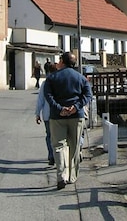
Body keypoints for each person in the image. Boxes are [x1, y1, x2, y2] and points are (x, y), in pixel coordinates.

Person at [44, 52, 93, 189]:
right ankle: (72, 176)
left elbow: (48, 95)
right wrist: (76, 106)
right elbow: (88, 95)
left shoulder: (52, 78)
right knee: (74, 146)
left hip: (57, 116)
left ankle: (61, 176)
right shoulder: (81, 78)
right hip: (76, 116)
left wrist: (59, 108)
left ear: (62, 61)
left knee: (59, 146)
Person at [35, 62, 55, 166]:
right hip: (59, 115)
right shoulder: (60, 81)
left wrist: (37, 113)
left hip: (47, 114)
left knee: (49, 136)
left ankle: (51, 155)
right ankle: (58, 156)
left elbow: (40, 100)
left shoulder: (45, 83)